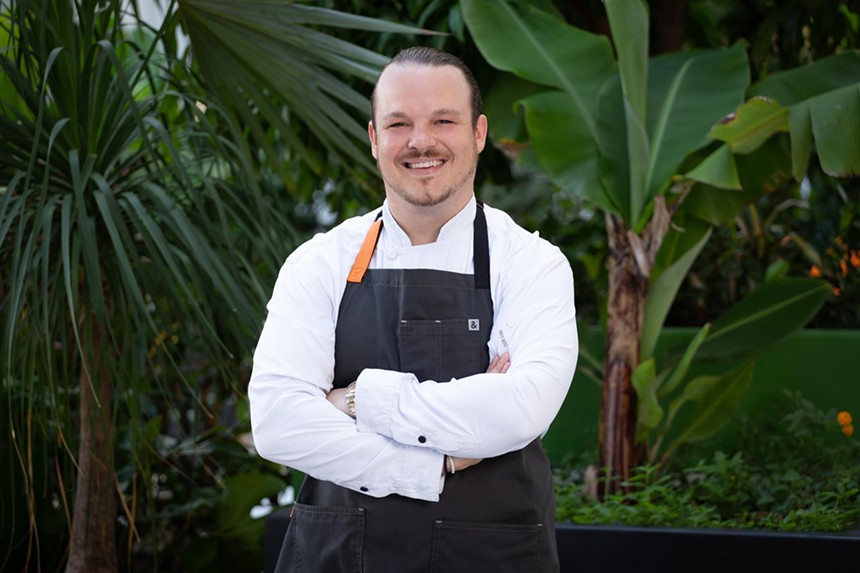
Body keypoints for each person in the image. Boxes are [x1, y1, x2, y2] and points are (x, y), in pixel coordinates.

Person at [249, 46, 578, 573]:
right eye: (399, 123)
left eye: (443, 120)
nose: (421, 141)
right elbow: (277, 422)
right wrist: (431, 464)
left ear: (478, 133)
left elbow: (520, 407)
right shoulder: (319, 262)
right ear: (375, 138)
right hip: (339, 555)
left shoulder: (532, 263)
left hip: (492, 553)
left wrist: (356, 398)